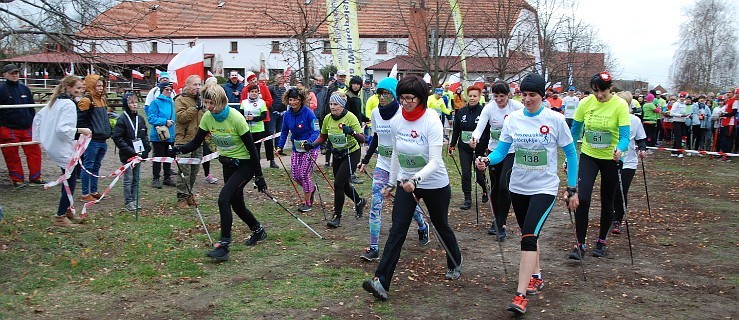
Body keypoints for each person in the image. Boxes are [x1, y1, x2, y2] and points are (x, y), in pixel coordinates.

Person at [475, 72, 579, 314]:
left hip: (544, 188)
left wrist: (572, 187)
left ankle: (520, 295)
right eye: (525, 94)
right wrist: (487, 160)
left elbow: (572, 155)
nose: (528, 99)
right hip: (518, 187)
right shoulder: (513, 119)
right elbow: (501, 151)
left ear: (543, 96)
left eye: (533, 95)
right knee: (528, 234)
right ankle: (537, 276)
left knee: (529, 235)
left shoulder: (555, 120)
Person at [362, 75, 462, 302]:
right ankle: (381, 281)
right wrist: (391, 182)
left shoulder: (431, 121)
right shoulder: (397, 121)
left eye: (411, 98)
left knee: (440, 225)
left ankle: (455, 261)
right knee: (397, 229)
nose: (406, 102)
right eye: (403, 98)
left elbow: (436, 161)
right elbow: (397, 153)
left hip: (434, 183)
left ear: (421, 98)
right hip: (406, 183)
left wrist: (415, 180)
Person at [171, 82, 268, 261]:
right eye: (206, 103)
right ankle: (258, 230)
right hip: (228, 164)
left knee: (223, 199)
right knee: (236, 203)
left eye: (211, 103)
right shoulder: (208, 117)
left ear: (221, 101)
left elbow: (252, 151)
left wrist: (259, 176)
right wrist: (178, 149)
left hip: (244, 164)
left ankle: (224, 244)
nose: (208, 107)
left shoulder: (236, 118)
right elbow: (195, 143)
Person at [357, 77, 430, 261]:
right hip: (382, 164)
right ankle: (373, 247)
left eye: (386, 94)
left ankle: (422, 226)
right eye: (379, 93)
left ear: (395, 96)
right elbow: (375, 137)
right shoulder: (375, 113)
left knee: (406, 205)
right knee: (376, 204)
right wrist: (365, 159)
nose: (382, 97)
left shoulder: (402, 113)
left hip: (402, 167)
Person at [569, 72, 630, 260]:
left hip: (610, 159)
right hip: (589, 155)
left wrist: (620, 149)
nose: (599, 95)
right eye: (595, 91)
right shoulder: (585, 103)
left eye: (602, 90)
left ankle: (602, 240)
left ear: (610, 88)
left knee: (607, 200)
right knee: (583, 198)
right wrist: (568, 157)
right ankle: (580, 243)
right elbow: (575, 131)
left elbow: (625, 136)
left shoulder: (619, 105)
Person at [32, 75, 90, 226]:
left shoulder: (54, 102)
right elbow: (63, 130)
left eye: (82, 88)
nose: (80, 90)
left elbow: (38, 119)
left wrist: (41, 139)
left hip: (54, 145)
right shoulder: (68, 105)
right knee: (70, 180)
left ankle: (68, 209)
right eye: (77, 88)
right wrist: (81, 130)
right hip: (62, 148)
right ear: (69, 88)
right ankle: (60, 215)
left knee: (68, 178)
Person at [470, 80, 523, 239]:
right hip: (494, 151)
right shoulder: (489, 108)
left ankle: (502, 222)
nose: (499, 100)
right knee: (494, 187)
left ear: (509, 95)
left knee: (504, 187)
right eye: (495, 96)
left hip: (512, 151)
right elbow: (479, 129)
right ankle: (496, 219)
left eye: (502, 96)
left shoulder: (516, 108)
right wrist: (474, 138)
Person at [305, 92, 366, 228]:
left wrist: (352, 132)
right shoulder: (327, 118)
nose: (332, 107)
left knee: (338, 184)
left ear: (342, 105)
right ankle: (359, 201)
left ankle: (337, 216)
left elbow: (362, 139)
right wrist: (312, 144)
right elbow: (323, 137)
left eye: (335, 104)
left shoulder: (350, 117)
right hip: (337, 153)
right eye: (331, 104)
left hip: (352, 153)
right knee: (343, 185)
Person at [275, 88, 319, 212]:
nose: (293, 102)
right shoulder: (287, 115)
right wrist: (280, 147)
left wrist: (309, 142)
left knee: (304, 174)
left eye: (295, 100)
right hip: (297, 148)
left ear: (301, 101)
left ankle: (308, 202)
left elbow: (316, 130)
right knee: (295, 175)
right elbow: (284, 131)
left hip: (310, 147)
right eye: (291, 100)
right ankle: (310, 188)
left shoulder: (308, 113)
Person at [0, 63, 43, 187]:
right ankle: (17, 179)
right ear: (5, 74)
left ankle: (36, 177)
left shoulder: (24, 88)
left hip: (27, 127)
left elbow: (31, 107)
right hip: (8, 128)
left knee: (35, 152)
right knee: (11, 155)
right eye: (11, 73)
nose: (14, 75)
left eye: (16, 73)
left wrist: (32, 121)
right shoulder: (1, 89)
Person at [611, 91, 647, 234]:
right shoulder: (610, 117)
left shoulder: (635, 120)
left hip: (629, 161)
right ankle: (611, 215)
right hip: (611, 160)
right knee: (612, 190)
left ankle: (617, 220)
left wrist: (642, 150)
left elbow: (641, 139)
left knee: (621, 189)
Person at [449, 85, 489, 210]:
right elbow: (456, 130)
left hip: (480, 148)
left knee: (479, 173)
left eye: (475, 96)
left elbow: (487, 131)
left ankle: (485, 190)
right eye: (470, 96)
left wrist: (487, 147)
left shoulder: (484, 111)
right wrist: (452, 145)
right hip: (464, 147)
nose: (472, 98)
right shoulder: (461, 112)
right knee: (466, 173)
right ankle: (467, 198)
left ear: (479, 97)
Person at [112, 93, 151, 211]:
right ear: (126, 105)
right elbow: (117, 138)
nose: (134, 105)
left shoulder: (140, 119)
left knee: (136, 178)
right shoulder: (122, 119)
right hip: (128, 155)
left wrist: (146, 148)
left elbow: (144, 135)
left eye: (135, 102)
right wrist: (129, 151)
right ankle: (128, 201)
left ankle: (134, 199)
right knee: (128, 178)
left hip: (138, 154)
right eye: (131, 103)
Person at [77, 74, 112, 202]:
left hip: (103, 139)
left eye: (102, 85)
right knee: (88, 166)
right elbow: (80, 120)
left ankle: (94, 190)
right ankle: (85, 193)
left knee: (96, 166)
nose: (101, 88)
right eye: (98, 85)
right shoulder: (86, 101)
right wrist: (88, 132)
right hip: (92, 140)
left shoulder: (103, 100)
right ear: (91, 85)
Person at [174, 75, 206, 209]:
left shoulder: (202, 100)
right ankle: (181, 197)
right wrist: (195, 108)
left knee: (194, 171)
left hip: (198, 141)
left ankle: (189, 194)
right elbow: (181, 117)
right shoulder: (180, 100)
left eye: (199, 84)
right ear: (187, 85)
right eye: (195, 85)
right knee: (184, 171)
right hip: (184, 140)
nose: (197, 87)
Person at [240, 72, 277, 167]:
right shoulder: (245, 90)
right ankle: (255, 162)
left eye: (254, 80)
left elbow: (270, 101)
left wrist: (259, 103)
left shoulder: (263, 87)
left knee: (268, 140)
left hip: (264, 119)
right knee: (254, 143)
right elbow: (243, 103)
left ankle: (271, 160)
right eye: (251, 80)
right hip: (250, 121)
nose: (253, 82)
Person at [147, 81, 176, 189]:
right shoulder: (155, 103)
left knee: (169, 157)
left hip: (170, 135)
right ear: (161, 90)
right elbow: (151, 118)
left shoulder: (172, 103)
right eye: (166, 89)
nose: (169, 91)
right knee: (158, 157)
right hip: (158, 135)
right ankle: (156, 178)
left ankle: (167, 178)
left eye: (170, 89)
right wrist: (164, 121)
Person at [666, 92, 688, 157]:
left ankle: (674, 151)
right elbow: (672, 113)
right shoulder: (676, 104)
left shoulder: (685, 104)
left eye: (683, 97)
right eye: (681, 97)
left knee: (680, 136)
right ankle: (679, 152)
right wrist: (680, 115)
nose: (682, 98)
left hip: (683, 122)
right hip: (676, 121)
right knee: (678, 137)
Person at [269, 74, 288, 151]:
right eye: (278, 78)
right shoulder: (271, 88)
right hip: (273, 112)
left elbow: (286, 99)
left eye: (281, 78)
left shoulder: (285, 88)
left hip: (282, 112)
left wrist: (285, 109)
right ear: (275, 79)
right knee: (271, 131)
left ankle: (278, 148)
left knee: (280, 131)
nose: (280, 79)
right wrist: (273, 110)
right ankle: (270, 149)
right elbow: (269, 99)